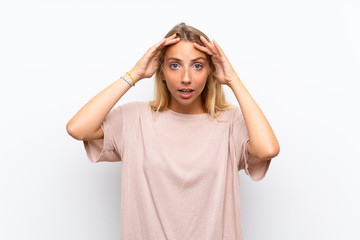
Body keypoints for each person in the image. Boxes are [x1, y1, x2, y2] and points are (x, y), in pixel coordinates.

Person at [66, 22, 280, 240]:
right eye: (174, 65)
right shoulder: (134, 118)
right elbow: (77, 128)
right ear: (161, 72)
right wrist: (135, 74)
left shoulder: (230, 122)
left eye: (197, 66)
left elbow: (268, 149)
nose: (185, 77)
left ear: (211, 72)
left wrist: (233, 80)